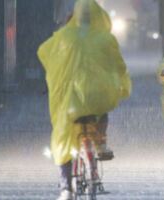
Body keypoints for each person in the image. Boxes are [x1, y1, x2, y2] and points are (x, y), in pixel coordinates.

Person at [37, 0, 131, 199]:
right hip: (97, 97)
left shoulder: (65, 38)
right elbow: (119, 66)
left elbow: (44, 52)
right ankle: (101, 143)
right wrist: (121, 85)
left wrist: (57, 73)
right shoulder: (106, 39)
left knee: (62, 137)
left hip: (72, 102)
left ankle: (66, 188)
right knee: (100, 111)